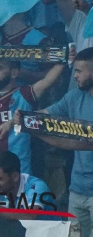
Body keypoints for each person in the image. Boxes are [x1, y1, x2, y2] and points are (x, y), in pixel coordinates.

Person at [21, 47, 93, 232]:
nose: (74, 76)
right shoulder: (75, 96)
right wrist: (17, 119)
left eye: (78, 71)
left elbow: (78, 143)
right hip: (77, 188)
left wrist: (35, 131)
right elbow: (46, 114)